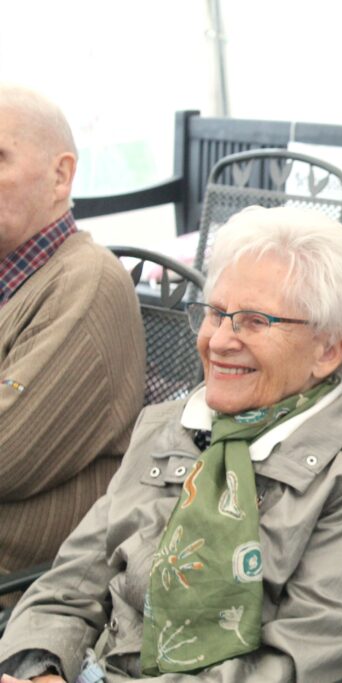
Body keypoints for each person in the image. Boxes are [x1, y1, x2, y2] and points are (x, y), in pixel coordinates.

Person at [0, 206, 342, 682]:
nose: (219, 341)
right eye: (216, 314)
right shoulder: (169, 427)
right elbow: (67, 587)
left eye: (254, 321)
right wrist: (41, 667)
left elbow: (290, 667)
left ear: (328, 350)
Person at [0, 84, 146, 581]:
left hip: (27, 587)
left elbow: (6, 453)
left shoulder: (86, 285)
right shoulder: (15, 273)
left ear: (60, 176)